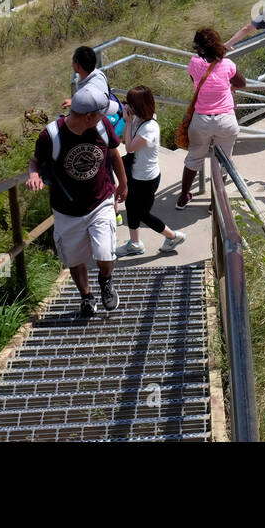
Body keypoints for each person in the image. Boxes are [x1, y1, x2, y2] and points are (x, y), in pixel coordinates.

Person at [27, 84, 126, 317]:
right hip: (66, 208)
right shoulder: (51, 135)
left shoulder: (102, 126)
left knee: (105, 253)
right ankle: (86, 297)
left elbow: (113, 152)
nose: (105, 116)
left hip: (100, 199)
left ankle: (105, 281)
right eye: (101, 112)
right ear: (89, 116)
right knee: (75, 258)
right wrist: (33, 174)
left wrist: (123, 183)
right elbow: (35, 162)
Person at [179, 27, 246, 209]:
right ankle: (215, 203)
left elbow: (193, 79)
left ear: (199, 48)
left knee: (194, 159)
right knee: (225, 161)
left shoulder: (194, 63)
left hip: (201, 120)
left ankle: (183, 197)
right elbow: (242, 83)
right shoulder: (228, 64)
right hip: (225, 120)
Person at [116, 86, 187, 256]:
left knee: (141, 213)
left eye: (131, 104)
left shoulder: (149, 127)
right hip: (135, 174)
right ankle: (135, 244)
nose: (128, 107)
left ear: (139, 106)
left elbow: (130, 147)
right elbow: (125, 136)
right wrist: (129, 122)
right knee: (131, 207)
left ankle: (173, 236)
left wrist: (129, 122)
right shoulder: (138, 119)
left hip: (146, 179)